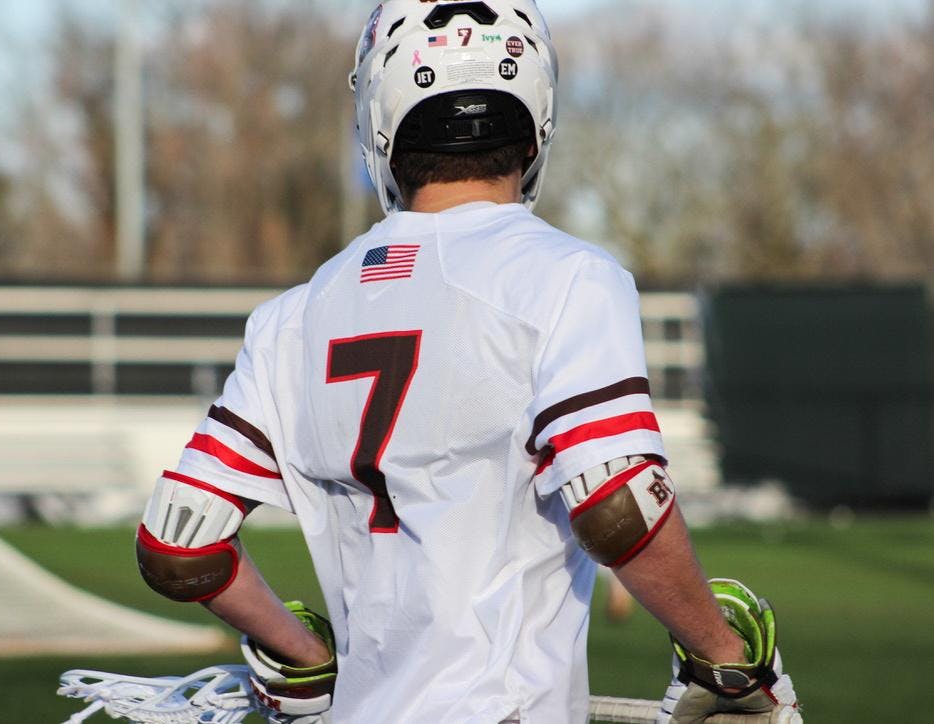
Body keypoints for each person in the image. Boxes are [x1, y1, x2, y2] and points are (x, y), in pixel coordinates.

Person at [134, 2, 800, 722]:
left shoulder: (293, 317)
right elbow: (617, 502)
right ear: (537, 108)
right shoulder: (566, 275)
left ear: (379, 114)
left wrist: (301, 660)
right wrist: (725, 661)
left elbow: (177, 543)